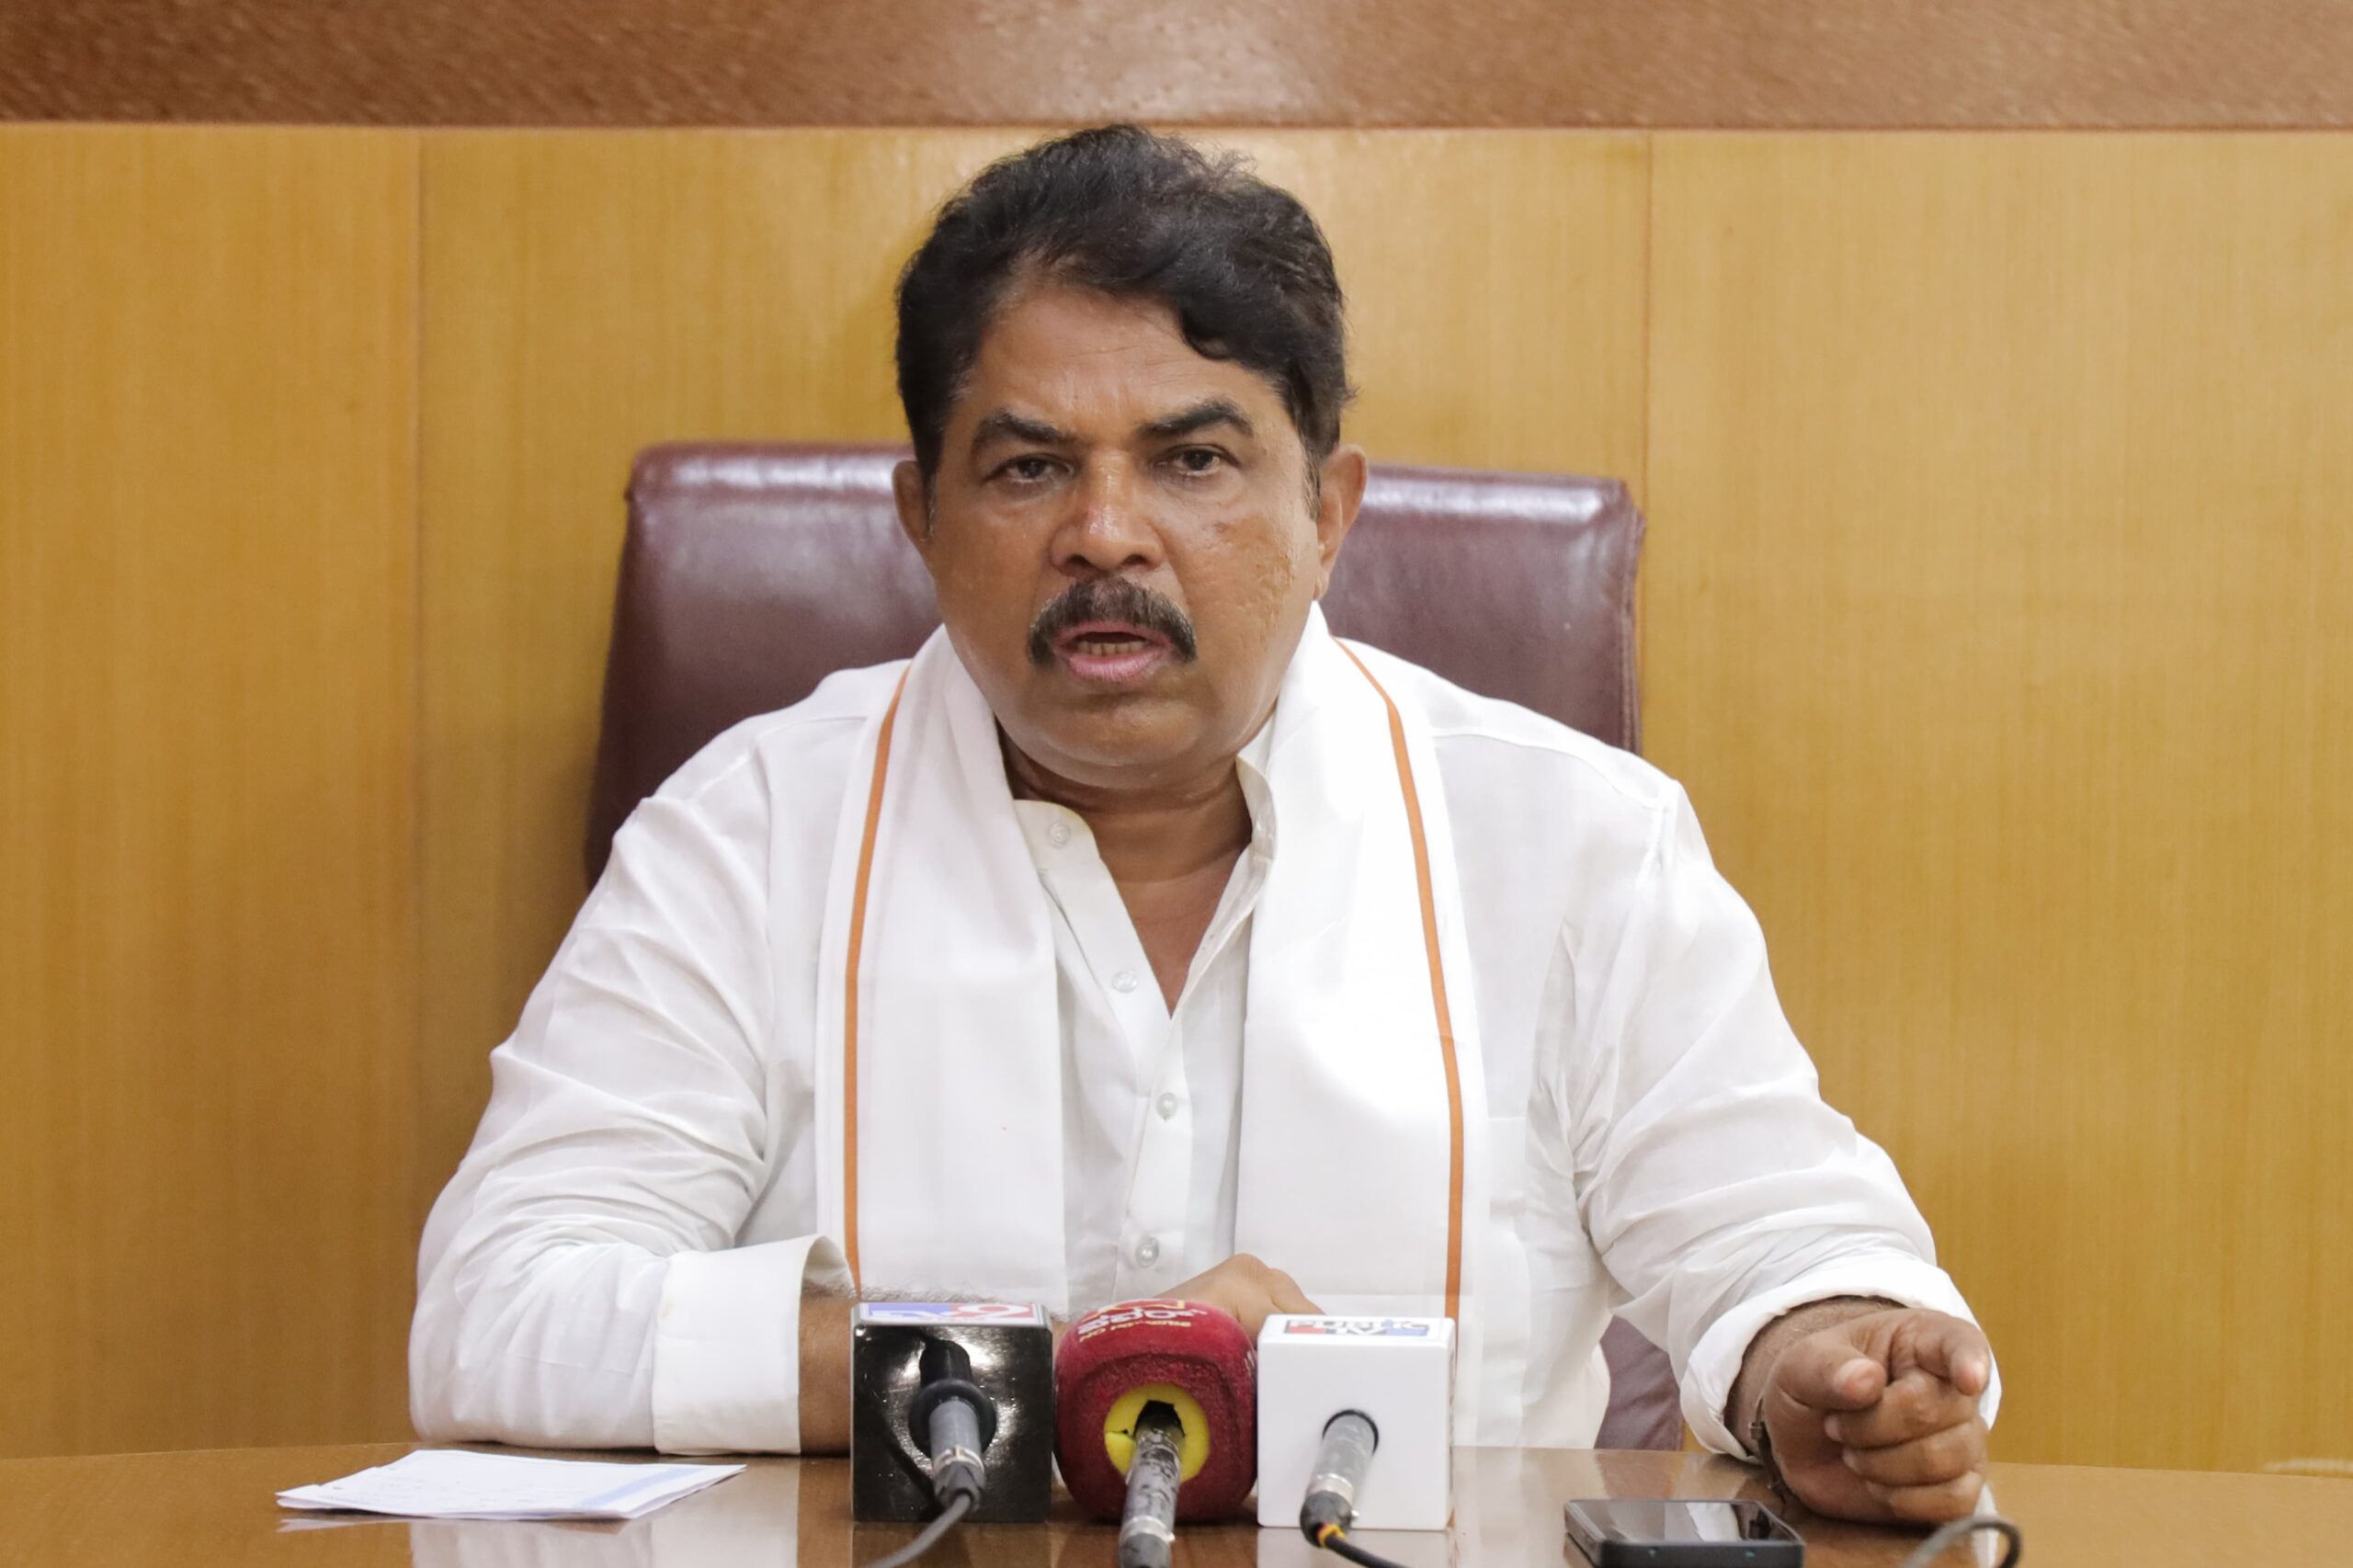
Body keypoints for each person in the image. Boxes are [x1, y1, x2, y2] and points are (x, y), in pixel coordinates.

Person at [411, 125, 1998, 1525]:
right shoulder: (749, 832)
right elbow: (497, 1309)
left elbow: (1784, 1237)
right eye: (1029, 466)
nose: (1107, 534)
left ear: (1328, 512)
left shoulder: (1577, 843)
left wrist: (1827, 1364)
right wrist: (1039, 1372)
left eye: (1193, 460)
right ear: (921, 518)